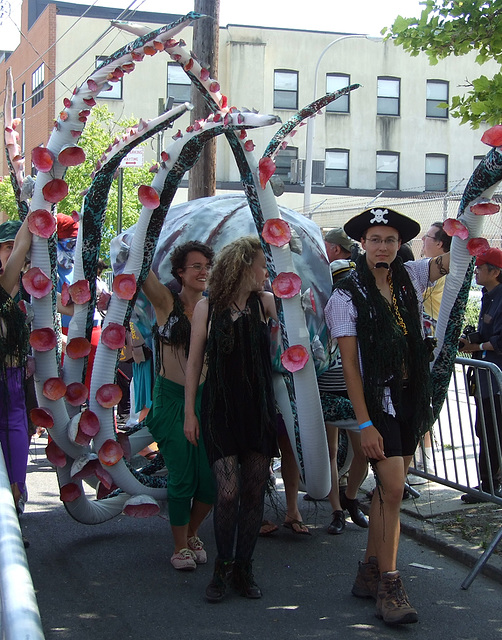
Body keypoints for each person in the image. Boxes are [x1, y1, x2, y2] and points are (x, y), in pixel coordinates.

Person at [325, 207, 449, 625]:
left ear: (400, 245)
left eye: (391, 240)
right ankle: (390, 586)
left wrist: (468, 224)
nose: (383, 247)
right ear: (362, 243)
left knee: (386, 491)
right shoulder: (345, 296)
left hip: (410, 398)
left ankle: (368, 571)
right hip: (377, 403)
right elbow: (351, 368)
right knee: (393, 490)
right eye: (376, 239)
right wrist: (364, 424)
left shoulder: (411, 278)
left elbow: (453, 260)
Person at [184, 236, 279, 602]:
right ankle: (222, 566)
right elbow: (194, 363)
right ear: (242, 265)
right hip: (219, 410)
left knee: (254, 491)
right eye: (260, 264)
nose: (264, 271)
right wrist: (190, 412)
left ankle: (244, 567)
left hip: (258, 410)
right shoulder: (208, 308)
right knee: (227, 493)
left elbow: (293, 339)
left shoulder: (266, 303)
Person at [143, 241, 215, 571]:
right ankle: (178, 547)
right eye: (195, 266)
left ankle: (192, 532)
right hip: (171, 399)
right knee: (182, 476)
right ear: (180, 273)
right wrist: (147, 226)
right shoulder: (166, 303)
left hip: (206, 400)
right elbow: (142, 273)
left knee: (211, 481)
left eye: (206, 266)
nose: (203, 272)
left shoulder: (216, 307)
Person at [459, 247, 502, 503]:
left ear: (495, 272)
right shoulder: (488, 295)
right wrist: (471, 340)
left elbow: (499, 341)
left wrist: (475, 346)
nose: (476, 270)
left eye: (480, 266)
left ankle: (491, 486)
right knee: (483, 429)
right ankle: (487, 484)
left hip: (496, 379)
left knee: (492, 431)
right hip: (486, 378)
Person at [0, 217, 32, 543]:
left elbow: (22, 246)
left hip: (11, 383)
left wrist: (37, 202)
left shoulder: (8, 286)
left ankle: (15, 512)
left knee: (14, 449)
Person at [422, 222, 452, 336]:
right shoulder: (446, 268)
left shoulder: (439, 271)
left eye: (427, 236)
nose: (423, 239)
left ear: (439, 243)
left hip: (432, 333)